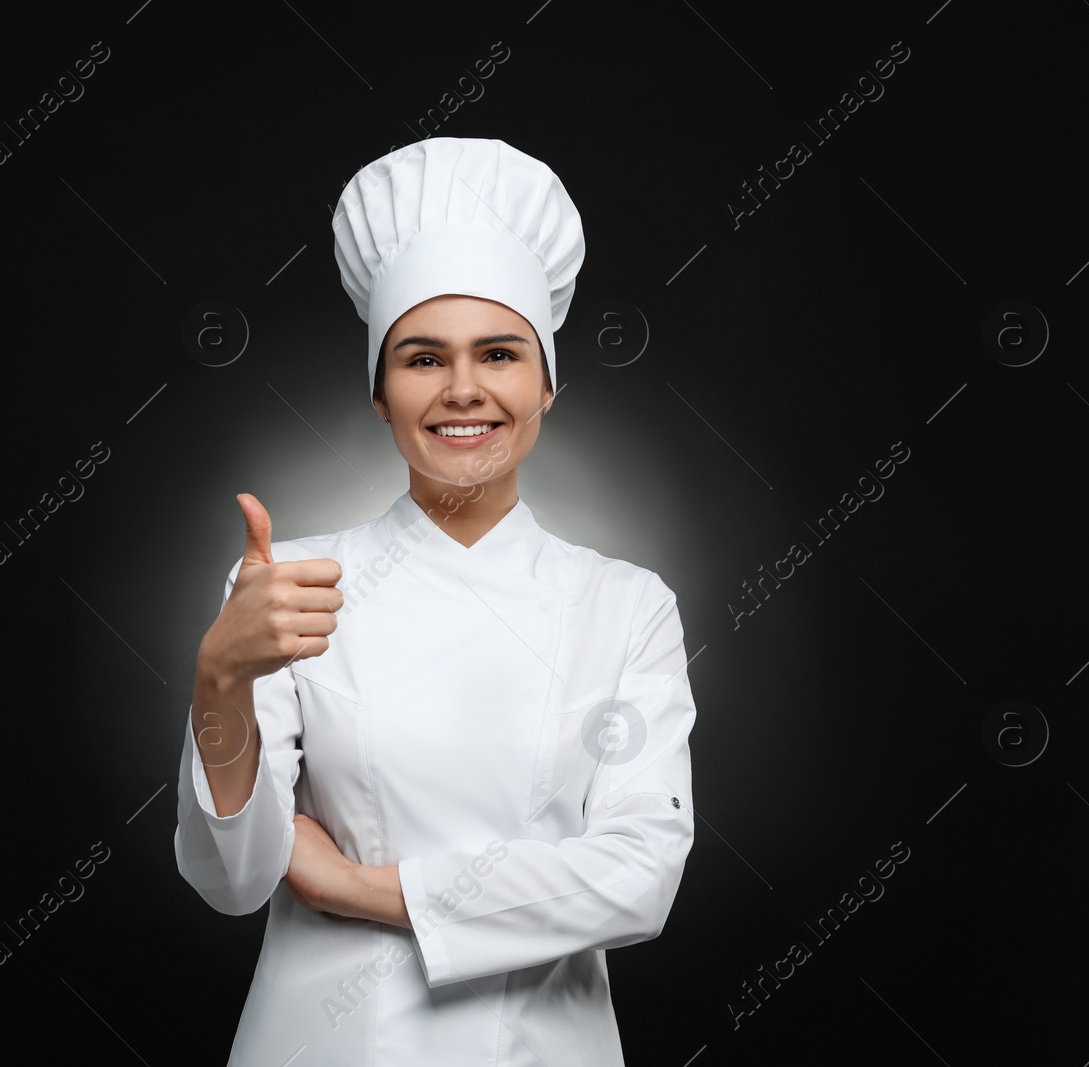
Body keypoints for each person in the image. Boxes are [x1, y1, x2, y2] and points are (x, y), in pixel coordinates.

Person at [174, 137, 698, 1065]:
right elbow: (235, 878)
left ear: (547, 385)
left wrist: (360, 887)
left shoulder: (626, 606)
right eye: (422, 357)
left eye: (498, 353)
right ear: (379, 393)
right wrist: (220, 675)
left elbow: (639, 877)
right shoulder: (288, 585)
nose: (463, 390)